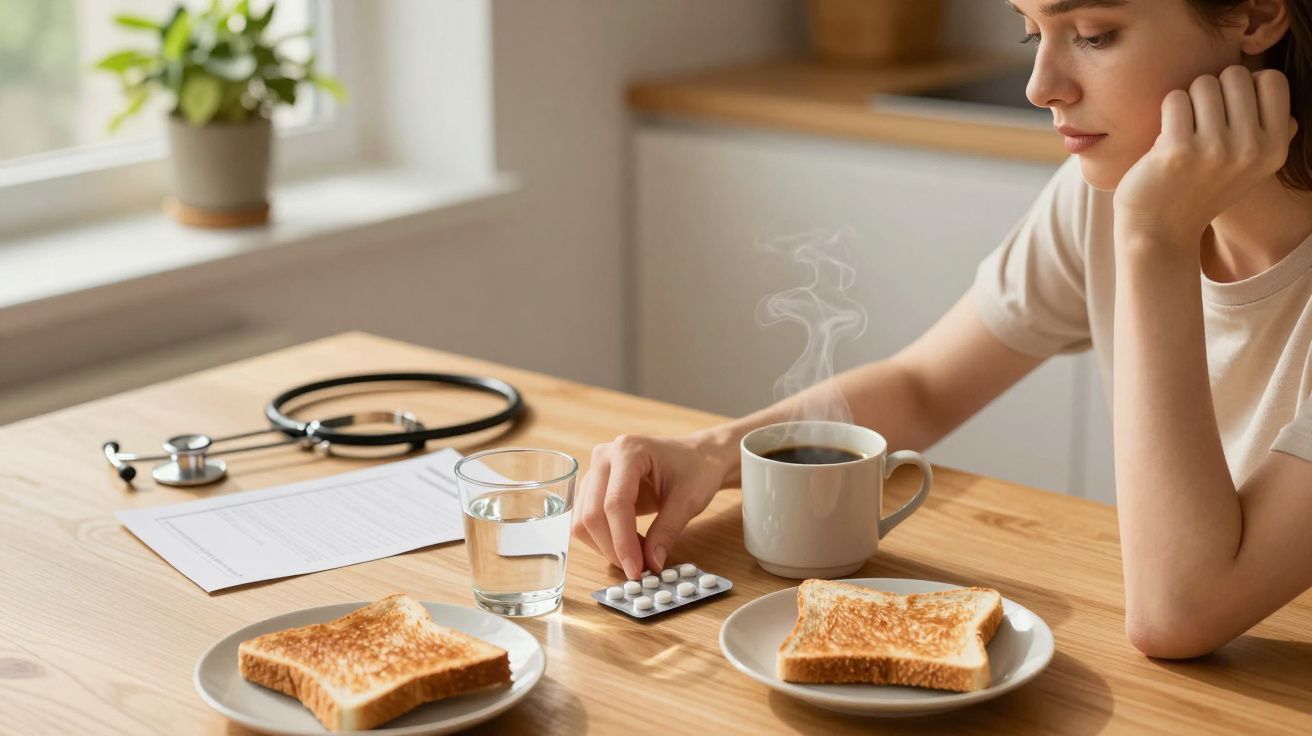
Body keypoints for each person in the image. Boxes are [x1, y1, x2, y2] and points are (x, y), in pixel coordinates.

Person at [572, 0, 1312, 659]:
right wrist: (707, 451)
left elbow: (1179, 614)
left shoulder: (1140, 207)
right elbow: (923, 387)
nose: (1041, 86)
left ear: (1253, 14)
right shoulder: (1113, 192)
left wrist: (1153, 240)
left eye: (1093, 33)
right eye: (1032, 35)